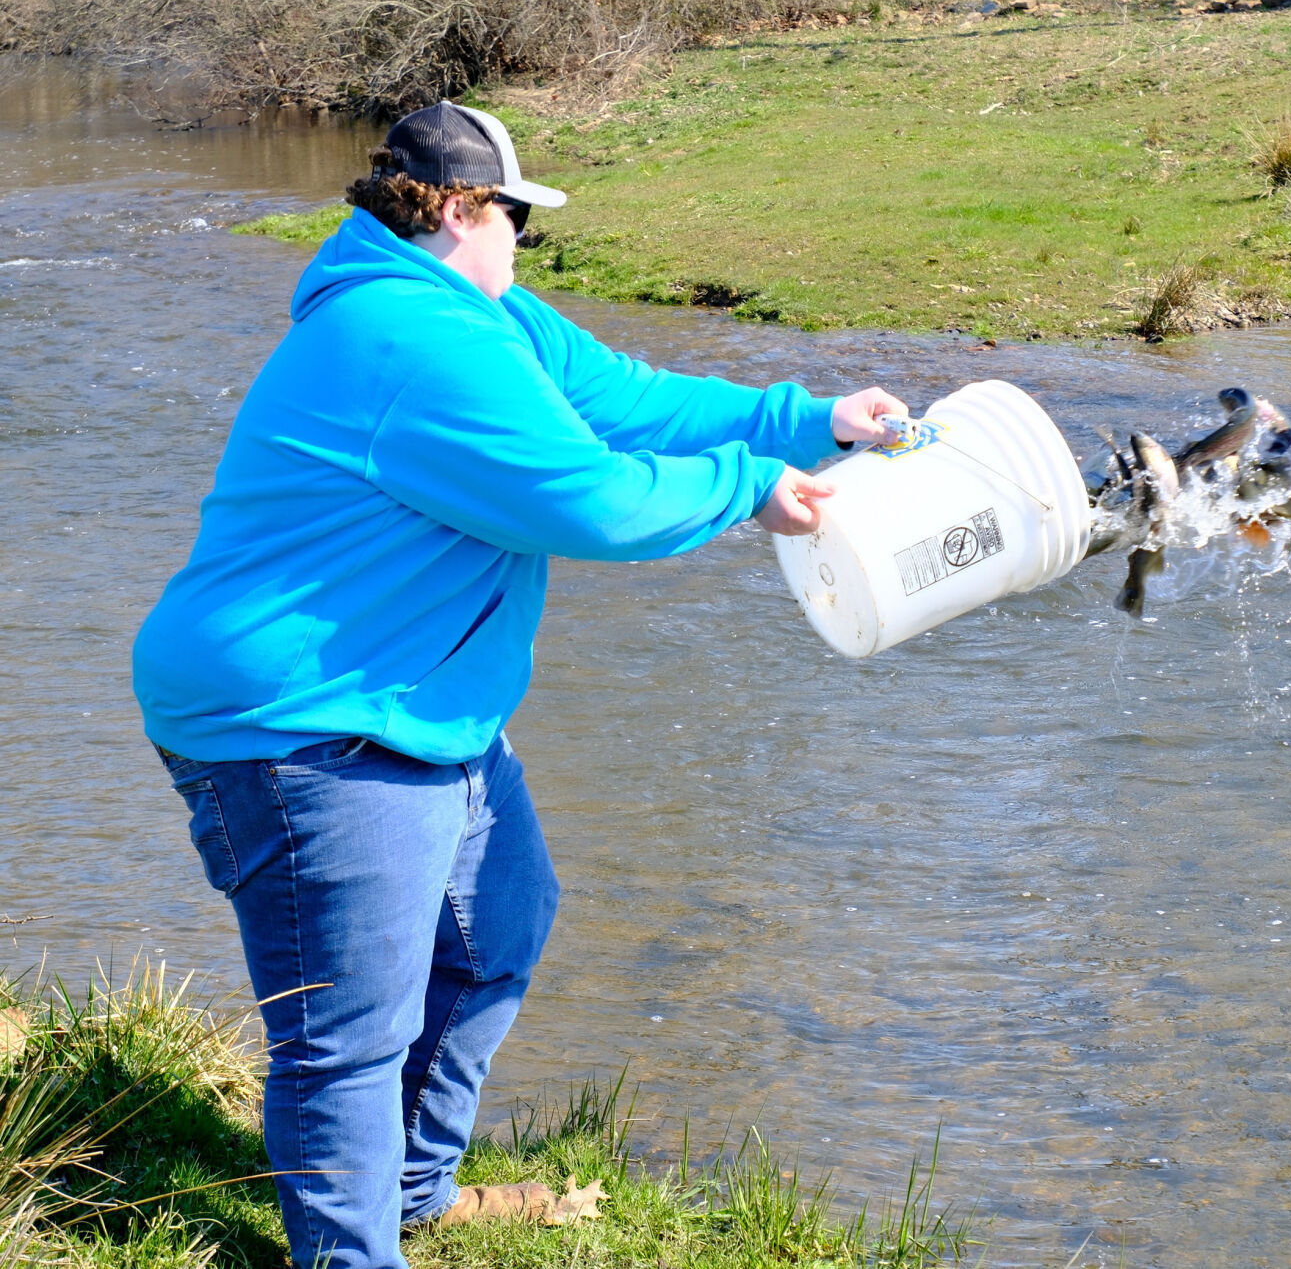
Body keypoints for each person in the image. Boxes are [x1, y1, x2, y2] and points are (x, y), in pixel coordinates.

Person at [132, 100, 907, 1269]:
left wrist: (804, 417)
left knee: (499, 923)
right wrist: (748, 482)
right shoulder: (411, 338)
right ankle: (349, 1253)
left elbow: (626, 400)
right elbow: (590, 500)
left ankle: (412, 1191)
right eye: (515, 221)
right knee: (347, 1032)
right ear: (455, 209)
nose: (521, 246)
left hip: (414, 702)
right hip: (300, 723)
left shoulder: (476, 314)